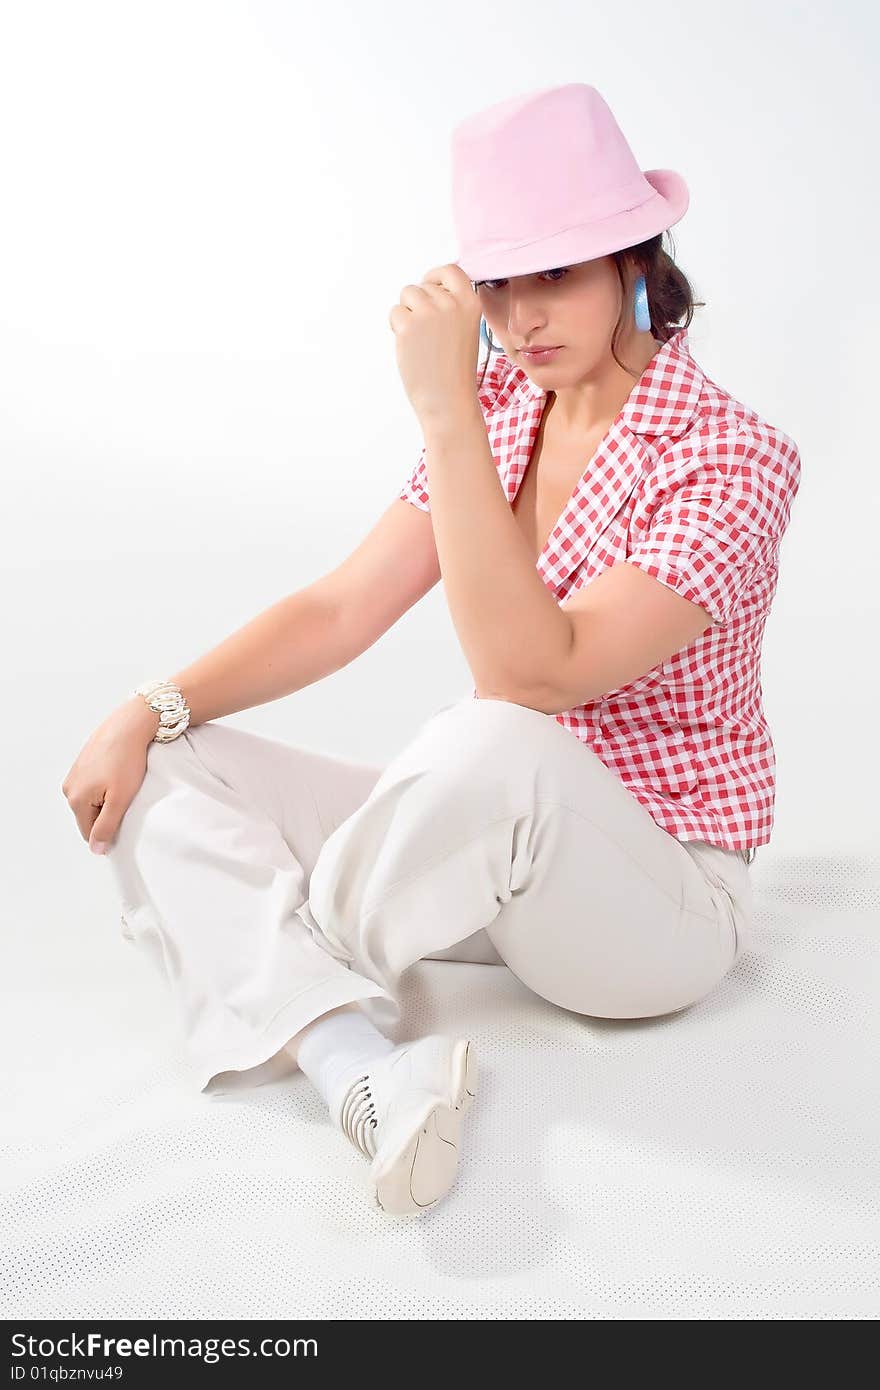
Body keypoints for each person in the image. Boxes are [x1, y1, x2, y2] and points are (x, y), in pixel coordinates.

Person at [60, 83, 801, 1217]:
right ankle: (359, 1068)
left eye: (553, 275)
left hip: (658, 908)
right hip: (485, 862)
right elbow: (340, 610)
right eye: (495, 288)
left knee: (489, 734)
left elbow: (532, 676)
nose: (519, 322)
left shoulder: (731, 458)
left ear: (632, 263)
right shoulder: (508, 406)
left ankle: (271, 961)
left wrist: (442, 412)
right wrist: (148, 703)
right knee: (171, 758)